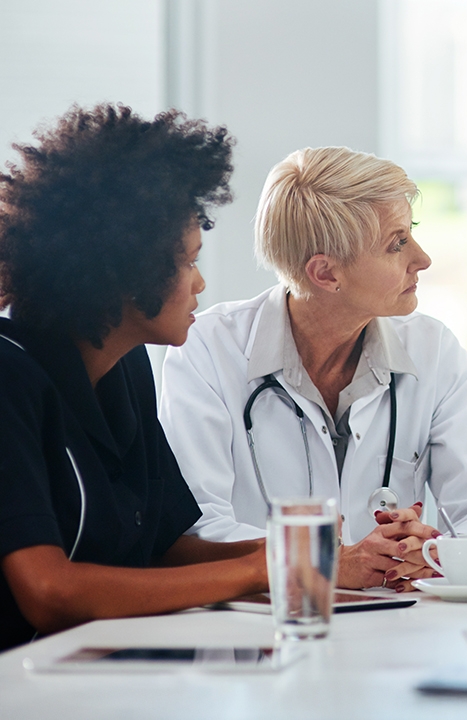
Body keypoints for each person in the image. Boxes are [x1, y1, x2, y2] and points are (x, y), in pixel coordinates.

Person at [160, 146, 467, 590]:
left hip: (399, 638)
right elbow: (194, 530)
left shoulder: (433, 351)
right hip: (262, 641)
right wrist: (328, 563)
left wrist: (434, 554)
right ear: (326, 274)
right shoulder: (207, 349)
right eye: (397, 243)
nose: (422, 258)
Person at [0, 104, 268, 651]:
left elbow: (162, 550)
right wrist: (257, 571)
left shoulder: (128, 370)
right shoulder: (9, 378)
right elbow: (49, 591)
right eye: (188, 261)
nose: (200, 283)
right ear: (124, 268)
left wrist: (307, 555)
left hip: (96, 677)